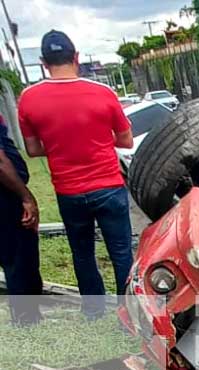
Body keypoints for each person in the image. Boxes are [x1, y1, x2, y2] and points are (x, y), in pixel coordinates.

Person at [18, 30, 135, 319]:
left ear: (44, 63)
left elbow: (32, 150)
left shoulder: (29, 98)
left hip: (69, 192)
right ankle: (129, 315)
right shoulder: (103, 93)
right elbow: (126, 140)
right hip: (109, 187)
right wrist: (94, 139)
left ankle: (94, 312)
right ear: (77, 57)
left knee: (82, 254)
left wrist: (61, 143)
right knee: (121, 253)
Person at [0, 114, 43, 325]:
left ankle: (28, 314)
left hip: (8, 195)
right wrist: (25, 196)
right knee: (19, 258)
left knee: (17, 256)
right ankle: (26, 318)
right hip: (6, 198)